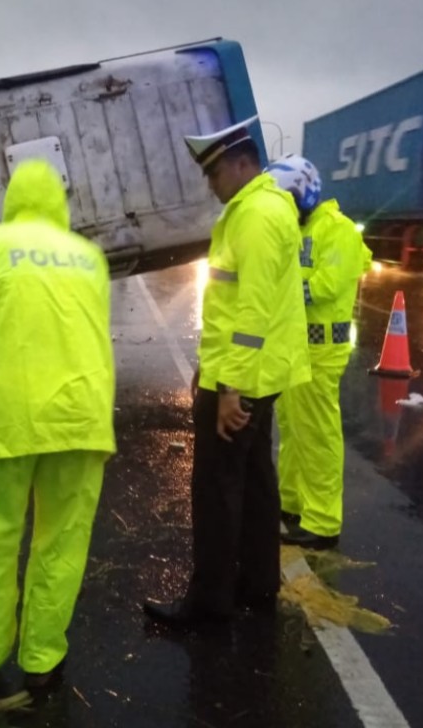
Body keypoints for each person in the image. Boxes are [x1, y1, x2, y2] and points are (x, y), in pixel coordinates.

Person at [0, 159, 115, 689]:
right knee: (63, 541)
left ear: (12, 199)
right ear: (61, 203)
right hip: (82, 419)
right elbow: (97, 342)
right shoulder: (89, 257)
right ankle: (42, 660)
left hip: (9, 420)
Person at [143, 116, 310, 626]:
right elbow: (234, 306)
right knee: (258, 484)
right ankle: (259, 587)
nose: (209, 184)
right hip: (257, 375)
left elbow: (252, 313)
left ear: (242, 164)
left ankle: (209, 605)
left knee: (216, 491)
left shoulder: (255, 215)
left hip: (245, 380)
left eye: (214, 174)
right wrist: (210, 369)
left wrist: (229, 386)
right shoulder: (260, 209)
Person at [267, 154, 372, 551]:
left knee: (318, 436)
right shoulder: (302, 228)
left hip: (322, 348)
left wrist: (278, 286)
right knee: (293, 431)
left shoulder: (338, 229)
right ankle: (292, 505)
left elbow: (324, 285)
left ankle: (323, 521)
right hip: (297, 346)